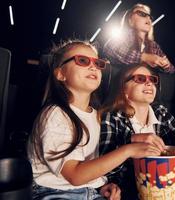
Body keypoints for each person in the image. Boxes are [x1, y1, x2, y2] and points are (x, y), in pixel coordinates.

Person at [27, 40, 162, 200]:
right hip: (52, 192)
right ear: (60, 74)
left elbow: (90, 166)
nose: (93, 66)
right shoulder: (55, 115)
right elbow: (75, 175)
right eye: (83, 61)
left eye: (98, 63)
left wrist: (101, 185)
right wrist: (129, 149)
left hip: (89, 192)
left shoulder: (96, 115)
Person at [99, 64, 175, 200]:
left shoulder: (160, 112)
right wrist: (130, 141)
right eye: (140, 78)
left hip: (167, 186)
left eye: (152, 80)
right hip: (130, 190)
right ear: (123, 88)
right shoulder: (112, 117)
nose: (149, 83)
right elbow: (104, 167)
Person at [103, 3, 175, 73]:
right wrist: (144, 57)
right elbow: (110, 48)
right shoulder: (123, 36)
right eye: (142, 14)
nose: (148, 18)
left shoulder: (154, 46)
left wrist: (166, 65)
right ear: (130, 21)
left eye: (150, 17)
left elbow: (172, 69)